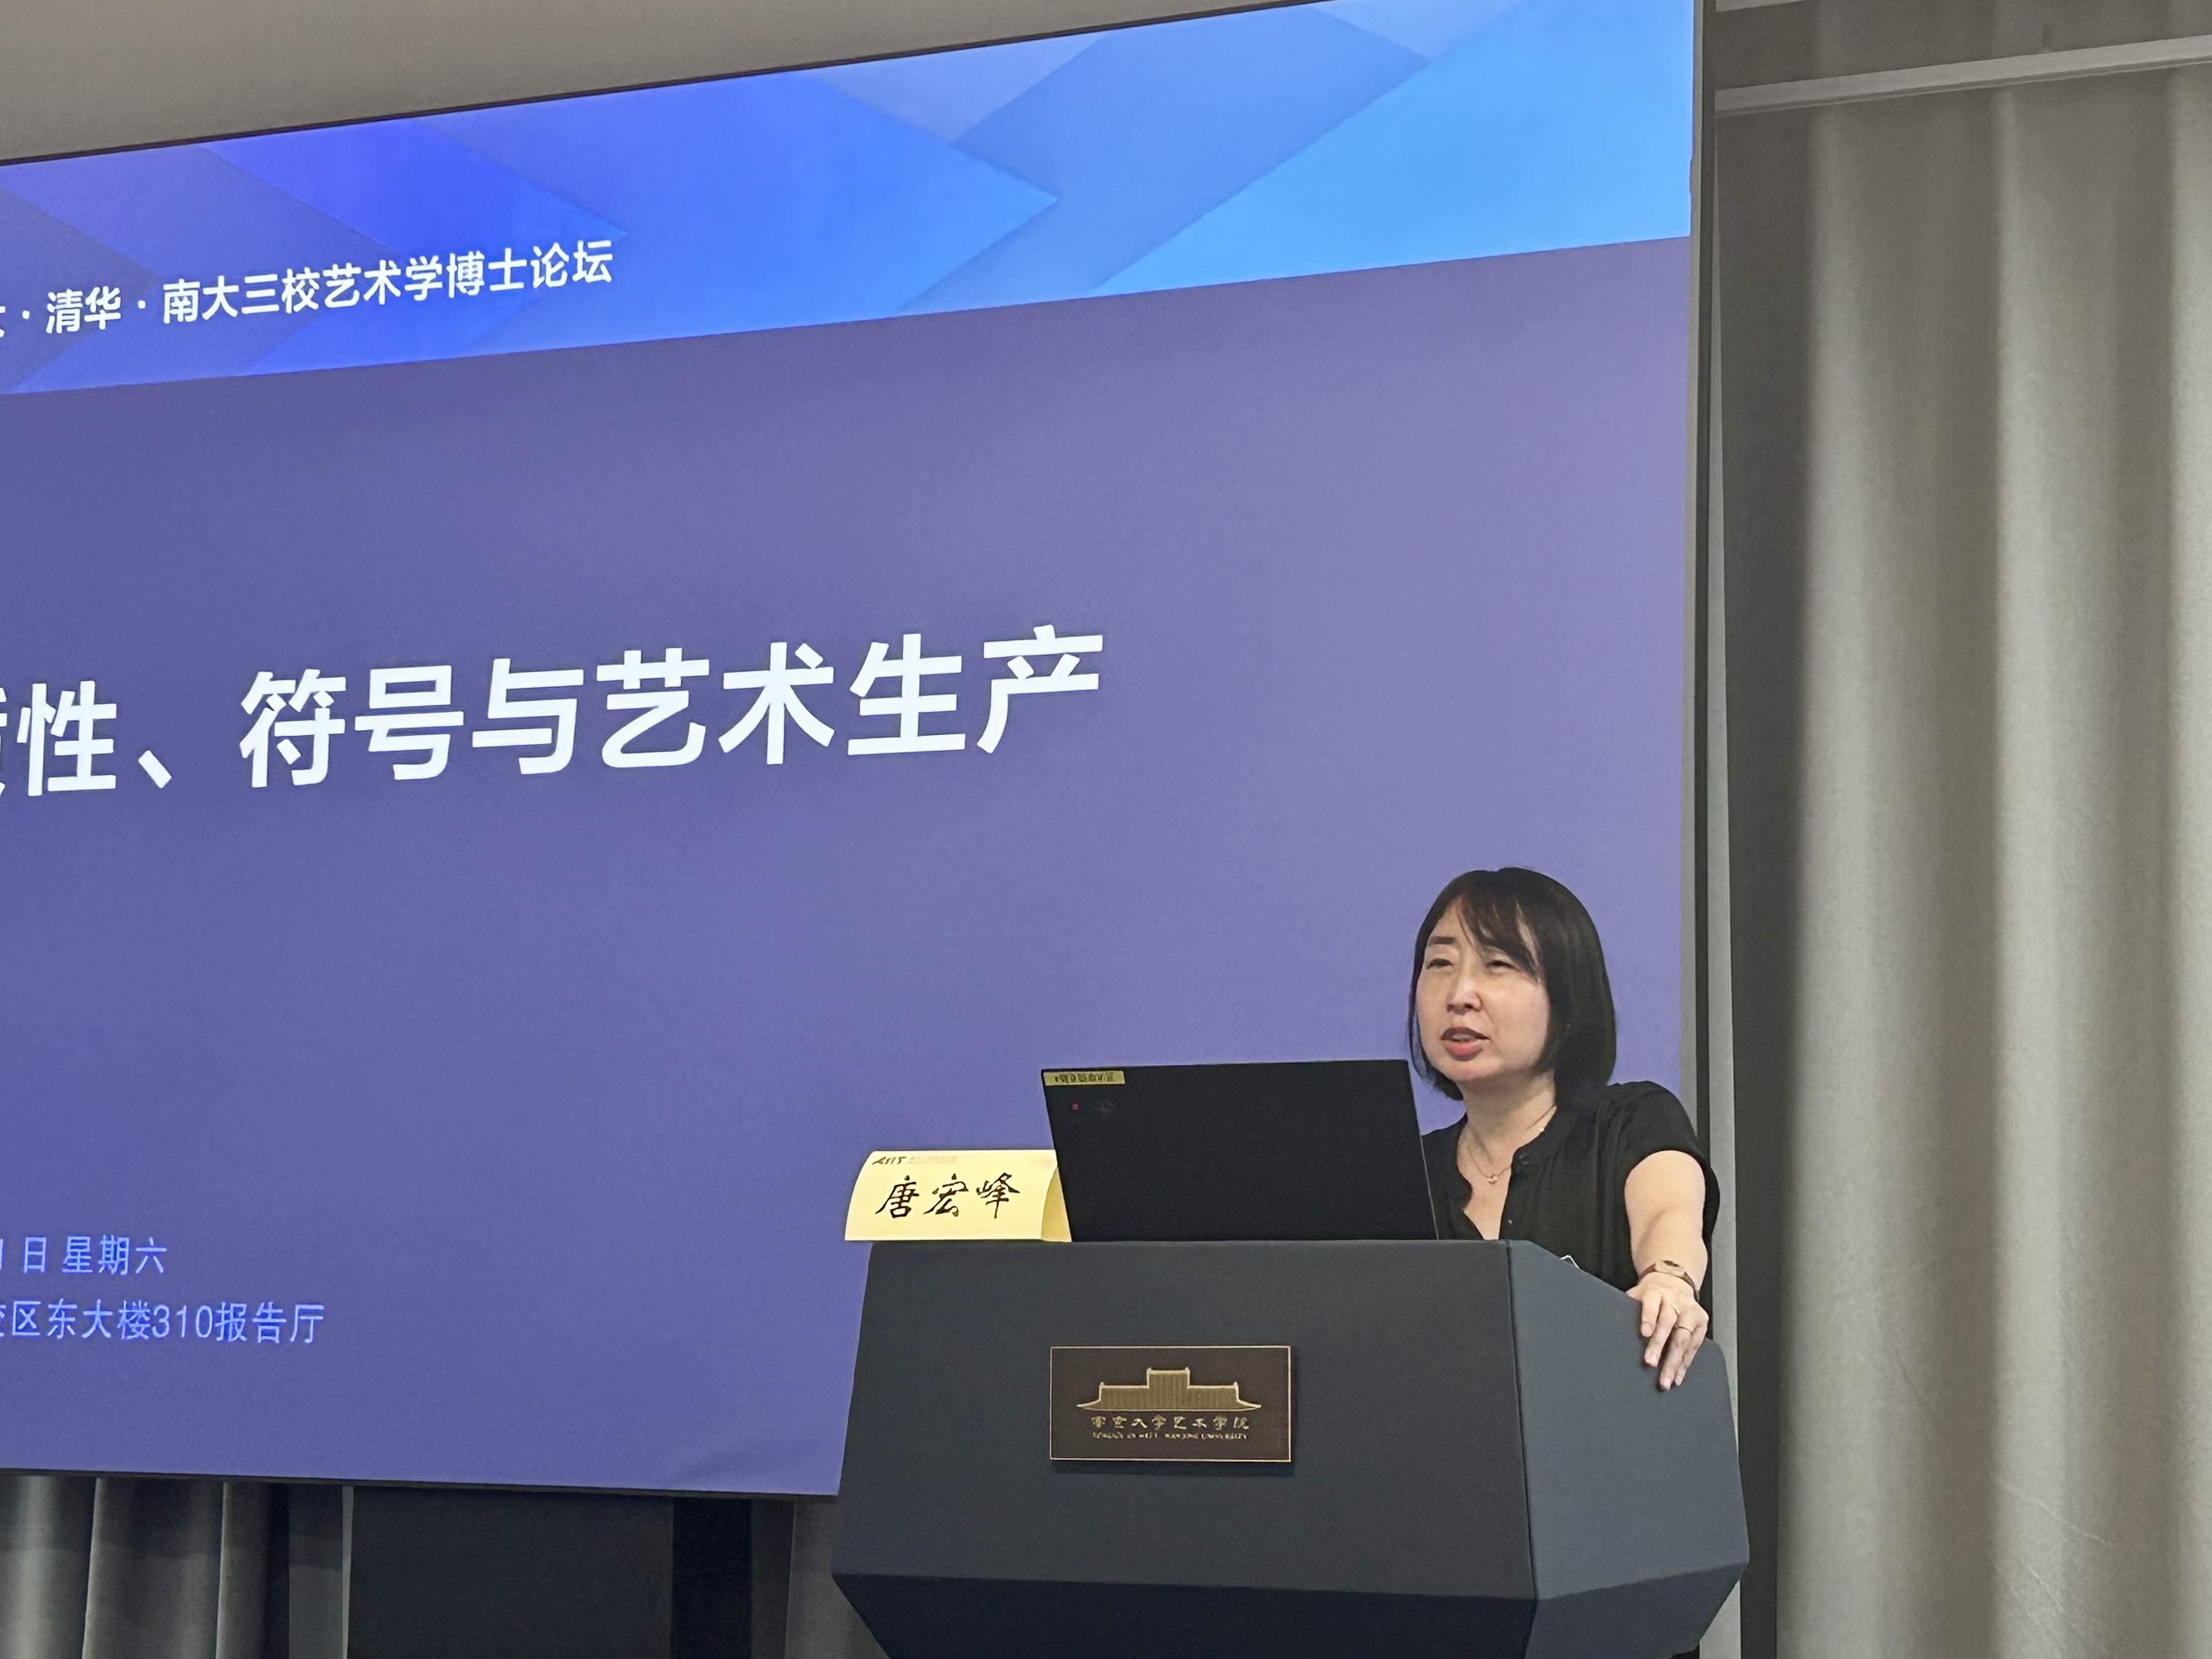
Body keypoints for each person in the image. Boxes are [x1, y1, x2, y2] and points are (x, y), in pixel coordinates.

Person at [1412, 867, 1717, 1390]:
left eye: (1498, 964)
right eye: (1440, 963)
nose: (1460, 994)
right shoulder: (1407, 1171)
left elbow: (1668, 1214)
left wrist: (1669, 1279)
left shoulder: (1631, 1122)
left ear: (1567, 997)